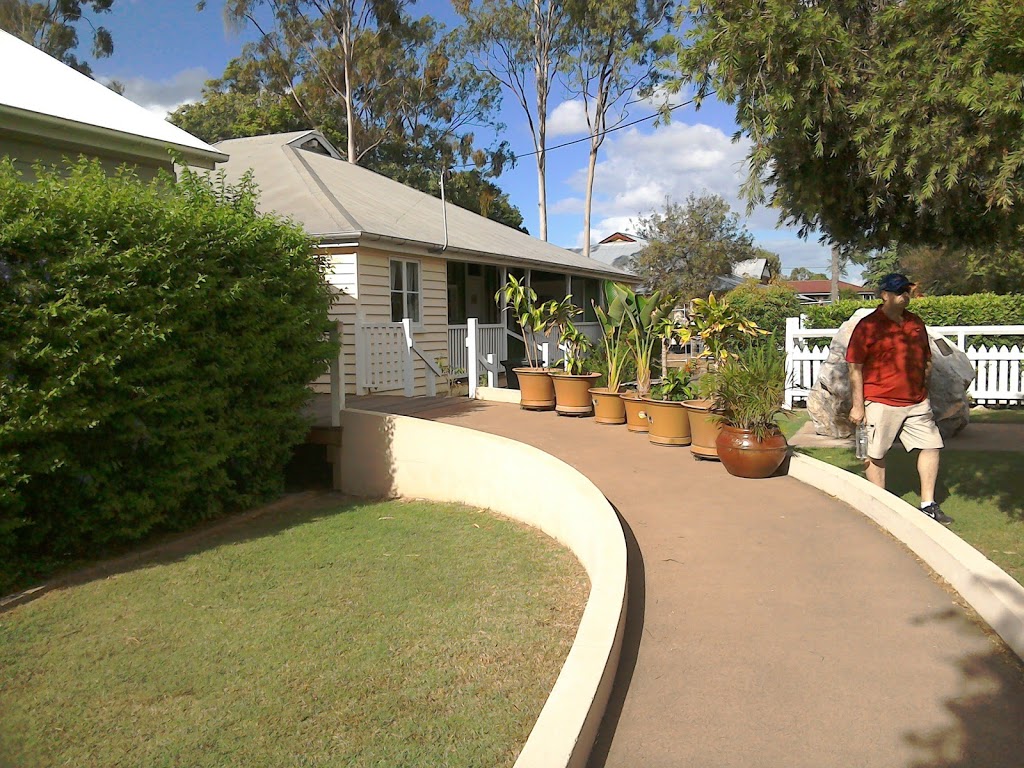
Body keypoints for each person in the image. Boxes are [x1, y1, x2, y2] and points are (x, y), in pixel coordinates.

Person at [846, 273, 953, 524]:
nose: (905, 295)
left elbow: (926, 358)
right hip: (880, 400)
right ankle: (879, 505)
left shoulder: (916, 323)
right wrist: (858, 406)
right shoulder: (868, 326)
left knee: (932, 445)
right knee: (875, 453)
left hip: (916, 401)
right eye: (899, 291)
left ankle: (928, 504)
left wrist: (925, 388)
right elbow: (855, 367)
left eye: (907, 291)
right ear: (885, 295)